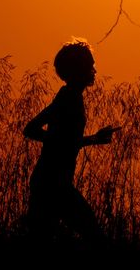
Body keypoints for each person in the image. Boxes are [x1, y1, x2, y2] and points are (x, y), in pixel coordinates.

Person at [23, 39, 120, 243]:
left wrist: (93, 139)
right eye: (90, 65)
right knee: (94, 235)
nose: (94, 70)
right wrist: (61, 141)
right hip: (52, 183)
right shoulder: (68, 98)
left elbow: (67, 141)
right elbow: (31, 129)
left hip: (53, 181)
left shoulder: (71, 96)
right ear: (79, 70)